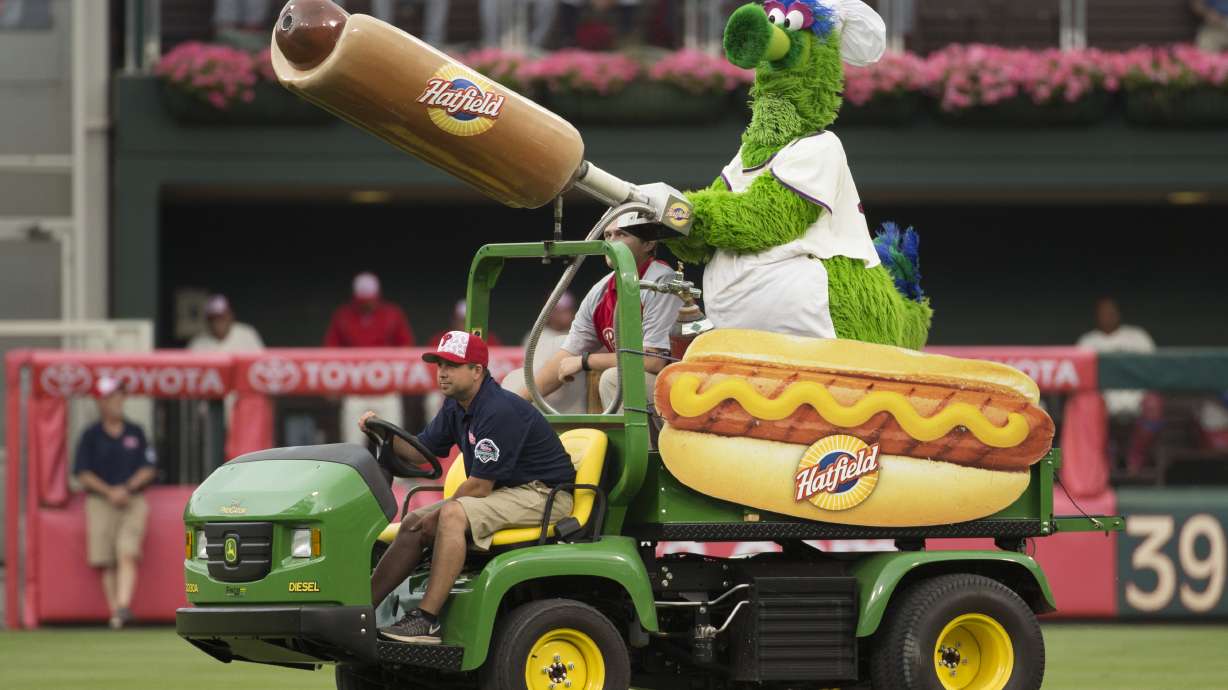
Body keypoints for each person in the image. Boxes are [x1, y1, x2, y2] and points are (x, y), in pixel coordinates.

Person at [364, 332, 576, 643]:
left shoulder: (498, 410)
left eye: (452, 365)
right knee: (412, 523)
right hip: (510, 491)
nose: (442, 372)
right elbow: (420, 450)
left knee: (451, 515)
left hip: (544, 495)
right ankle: (360, 609)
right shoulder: (456, 406)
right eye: (439, 364)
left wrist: (439, 514)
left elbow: (479, 488)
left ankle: (426, 620)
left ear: (477, 370)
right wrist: (382, 431)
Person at [506, 212, 682, 412]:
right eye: (607, 236)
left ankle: (643, 445)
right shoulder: (601, 290)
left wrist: (586, 361)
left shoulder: (663, 282)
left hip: (680, 386)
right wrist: (512, 404)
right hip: (647, 388)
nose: (611, 243)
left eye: (621, 235)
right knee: (521, 378)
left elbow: (653, 361)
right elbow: (565, 356)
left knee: (613, 378)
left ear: (649, 243)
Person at [73, 376, 157, 630]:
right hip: (100, 501)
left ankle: (122, 605)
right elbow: (82, 472)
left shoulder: (136, 431)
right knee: (106, 559)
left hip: (132, 500)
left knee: (127, 550)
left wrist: (127, 488)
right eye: (111, 397)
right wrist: (109, 491)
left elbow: (149, 467)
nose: (118, 401)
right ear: (101, 402)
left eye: (120, 396)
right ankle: (117, 614)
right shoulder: (90, 435)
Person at [326, 272, 415, 444]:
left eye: (370, 299)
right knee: (352, 445)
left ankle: (394, 472)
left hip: (386, 389)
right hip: (355, 390)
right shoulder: (343, 315)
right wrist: (333, 384)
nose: (367, 304)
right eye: (363, 300)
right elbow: (331, 351)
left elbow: (406, 348)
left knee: (394, 444)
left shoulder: (392, 313)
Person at [1077, 298, 1161, 476]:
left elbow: (1154, 369)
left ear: (1118, 314)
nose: (1108, 316)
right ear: (1097, 317)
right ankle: (1108, 458)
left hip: (1136, 395)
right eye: (1103, 313)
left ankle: (1135, 455)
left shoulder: (1137, 336)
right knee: (1086, 407)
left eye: (1111, 312)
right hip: (1103, 397)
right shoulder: (1088, 341)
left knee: (1154, 404)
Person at [188, 294, 264, 353]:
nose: (218, 321)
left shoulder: (247, 335)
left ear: (231, 316)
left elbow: (260, 363)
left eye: (222, 317)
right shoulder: (197, 343)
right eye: (213, 317)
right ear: (207, 320)